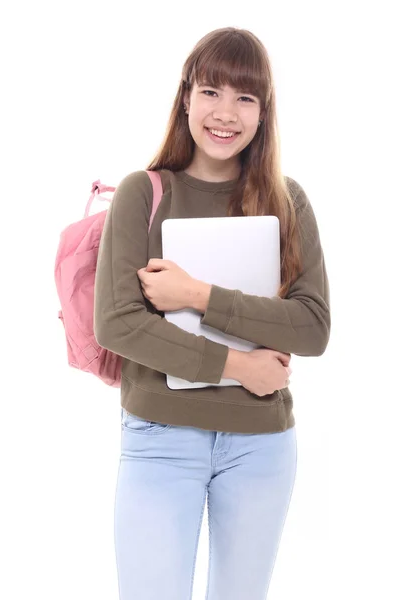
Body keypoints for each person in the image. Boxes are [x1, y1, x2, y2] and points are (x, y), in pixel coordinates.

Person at [94, 26, 330, 600]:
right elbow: (118, 324)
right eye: (211, 92)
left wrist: (198, 296)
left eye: (245, 97)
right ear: (186, 98)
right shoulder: (144, 193)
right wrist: (240, 366)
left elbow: (312, 326)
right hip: (159, 437)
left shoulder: (286, 199)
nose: (226, 113)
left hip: (261, 444)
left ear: (263, 113)